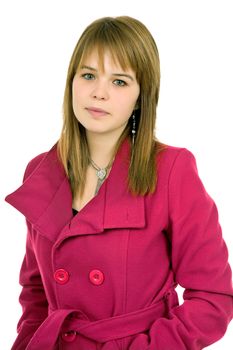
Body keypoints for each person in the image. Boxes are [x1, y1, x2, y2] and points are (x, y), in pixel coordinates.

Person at [5, 16, 233, 350]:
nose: (99, 93)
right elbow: (35, 290)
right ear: (72, 82)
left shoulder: (171, 170)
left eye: (120, 82)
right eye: (88, 75)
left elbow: (213, 298)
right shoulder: (41, 170)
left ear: (142, 96)